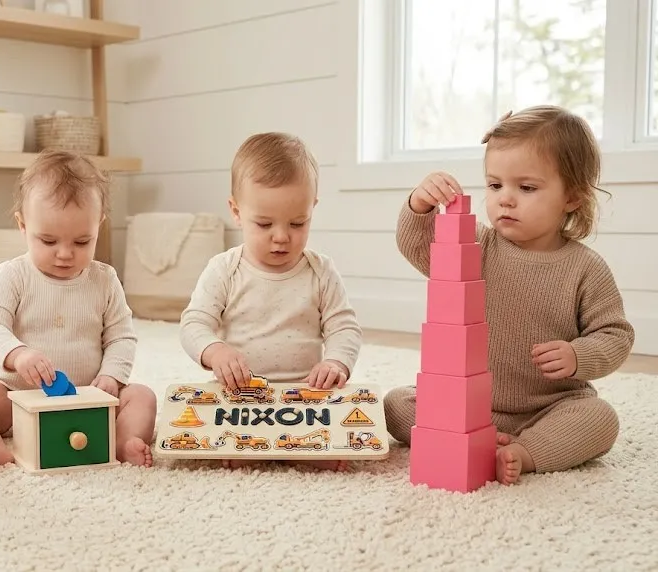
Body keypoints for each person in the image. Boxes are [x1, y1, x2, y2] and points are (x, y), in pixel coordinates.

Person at [384, 105, 635, 485]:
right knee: (394, 404)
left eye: (527, 188)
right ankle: (486, 440)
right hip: (468, 405)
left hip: (549, 406)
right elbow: (418, 247)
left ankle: (524, 451)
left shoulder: (585, 268)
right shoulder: (479, 244)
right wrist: (419, 205)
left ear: (572, 197)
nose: (505, 199)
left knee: (600, 420)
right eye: (495, 185)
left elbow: (615, 335)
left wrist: (577, 355)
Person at [0, 150, 157, 471]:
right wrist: (18, 355)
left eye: (81, 242)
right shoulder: (13, 274)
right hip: (19, 396)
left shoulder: (104, 279)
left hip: (90, 396)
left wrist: (110, 376)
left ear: (99, 225)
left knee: (143, 396)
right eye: (48, 241)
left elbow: (122, 337)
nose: (65, 254)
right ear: (23, 225)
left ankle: (122, 440)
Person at [179, 132, 363, 471]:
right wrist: (215, 351)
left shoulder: (320, 271)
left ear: (313, 209)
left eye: (298, 222)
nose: (281, 236)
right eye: (264, 224)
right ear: (236, 211)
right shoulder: (224, 269)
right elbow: (194, 324)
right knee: (221, 442)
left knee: (338, 448)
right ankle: (259, 447)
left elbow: (345, 327)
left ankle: (297, 446)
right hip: (240, 396)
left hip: (308, 396)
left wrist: (336, 362)